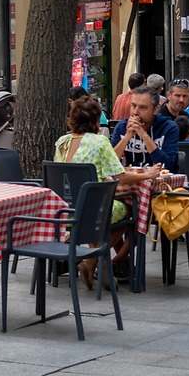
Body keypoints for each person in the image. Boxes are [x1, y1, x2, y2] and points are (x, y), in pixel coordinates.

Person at [55, 97, 162, 288]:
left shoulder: (62, 142)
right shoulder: (99, 141)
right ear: (97, 120)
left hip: (65, 208)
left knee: (110, 214)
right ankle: (94, 262)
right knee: (130, 210)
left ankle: (101, 265)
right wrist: (148, 175)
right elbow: (119, 176)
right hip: (92, 208)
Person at [110, 87, 179, 171]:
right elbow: (110, 164)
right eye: (133, 106)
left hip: (159, 180)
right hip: (131, 179)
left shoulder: (168, 127)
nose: (135, 112)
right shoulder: (121, 127)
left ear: (155, 109)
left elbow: (168, 165)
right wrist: (127, 137)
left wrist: (143, 135)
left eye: (142, 107)